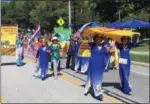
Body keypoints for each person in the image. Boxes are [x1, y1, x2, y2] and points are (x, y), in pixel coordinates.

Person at [84, 35, 113, 101]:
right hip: (93, 64)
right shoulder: (93, 45)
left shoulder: (104, 46)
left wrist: (110, 51)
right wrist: (90, 35)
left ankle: (97, 92)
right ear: (95, 39)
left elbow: (108, 54)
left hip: (100, 65)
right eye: (97, 38)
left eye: (100, 38)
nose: (99, 39)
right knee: (92, 78)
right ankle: (98, 93)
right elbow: (89, 41)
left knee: (98, 79)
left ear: (101, 39)